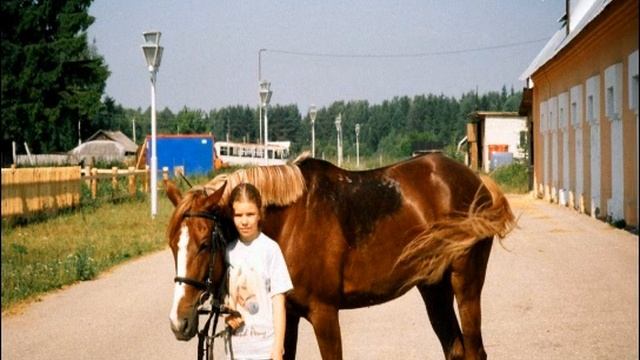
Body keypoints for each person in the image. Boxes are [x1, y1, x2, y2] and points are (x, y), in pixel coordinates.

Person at [224, 183, 293, 360]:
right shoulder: (227, 252)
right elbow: (225, 296)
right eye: (238, 215)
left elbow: (278, 302)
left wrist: (278, 348)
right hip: (235, 351)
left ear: (260, 214)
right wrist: (228, 311)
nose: (244, 221)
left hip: (265, 350)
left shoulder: (270, 249)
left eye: (250, 214)